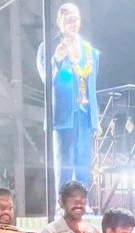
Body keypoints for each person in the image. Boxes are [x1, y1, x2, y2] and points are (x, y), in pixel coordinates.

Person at [36, 2, 100, 189]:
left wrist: (95, 117)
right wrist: (57, 59)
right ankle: (61, 201)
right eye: (68, 19)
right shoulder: (47, 48)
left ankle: (83, 200)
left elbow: (93, 83)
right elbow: (47, 80)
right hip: (63, 115)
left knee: (83, 166)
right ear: (59, 21)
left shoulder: (90, 51)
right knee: (64, 165)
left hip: (85, 115)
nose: (73, 23)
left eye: (76, 19)